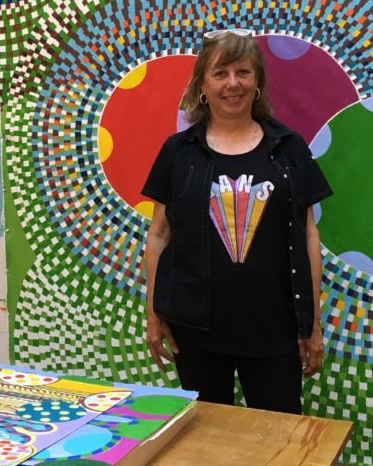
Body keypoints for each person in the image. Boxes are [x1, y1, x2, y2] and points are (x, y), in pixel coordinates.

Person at [141, 28, 332, 414]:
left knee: (279, 439)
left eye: (243, 72)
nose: (233, 84)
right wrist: (153, 313)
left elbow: (309, 235)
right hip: (195, 330)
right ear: (201, 86)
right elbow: (159, 235)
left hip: (274, 327)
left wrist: (310, 325)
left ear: (258, 82)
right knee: (208, 441)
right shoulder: (179, 152)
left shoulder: (288, 148)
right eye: (221, 73)